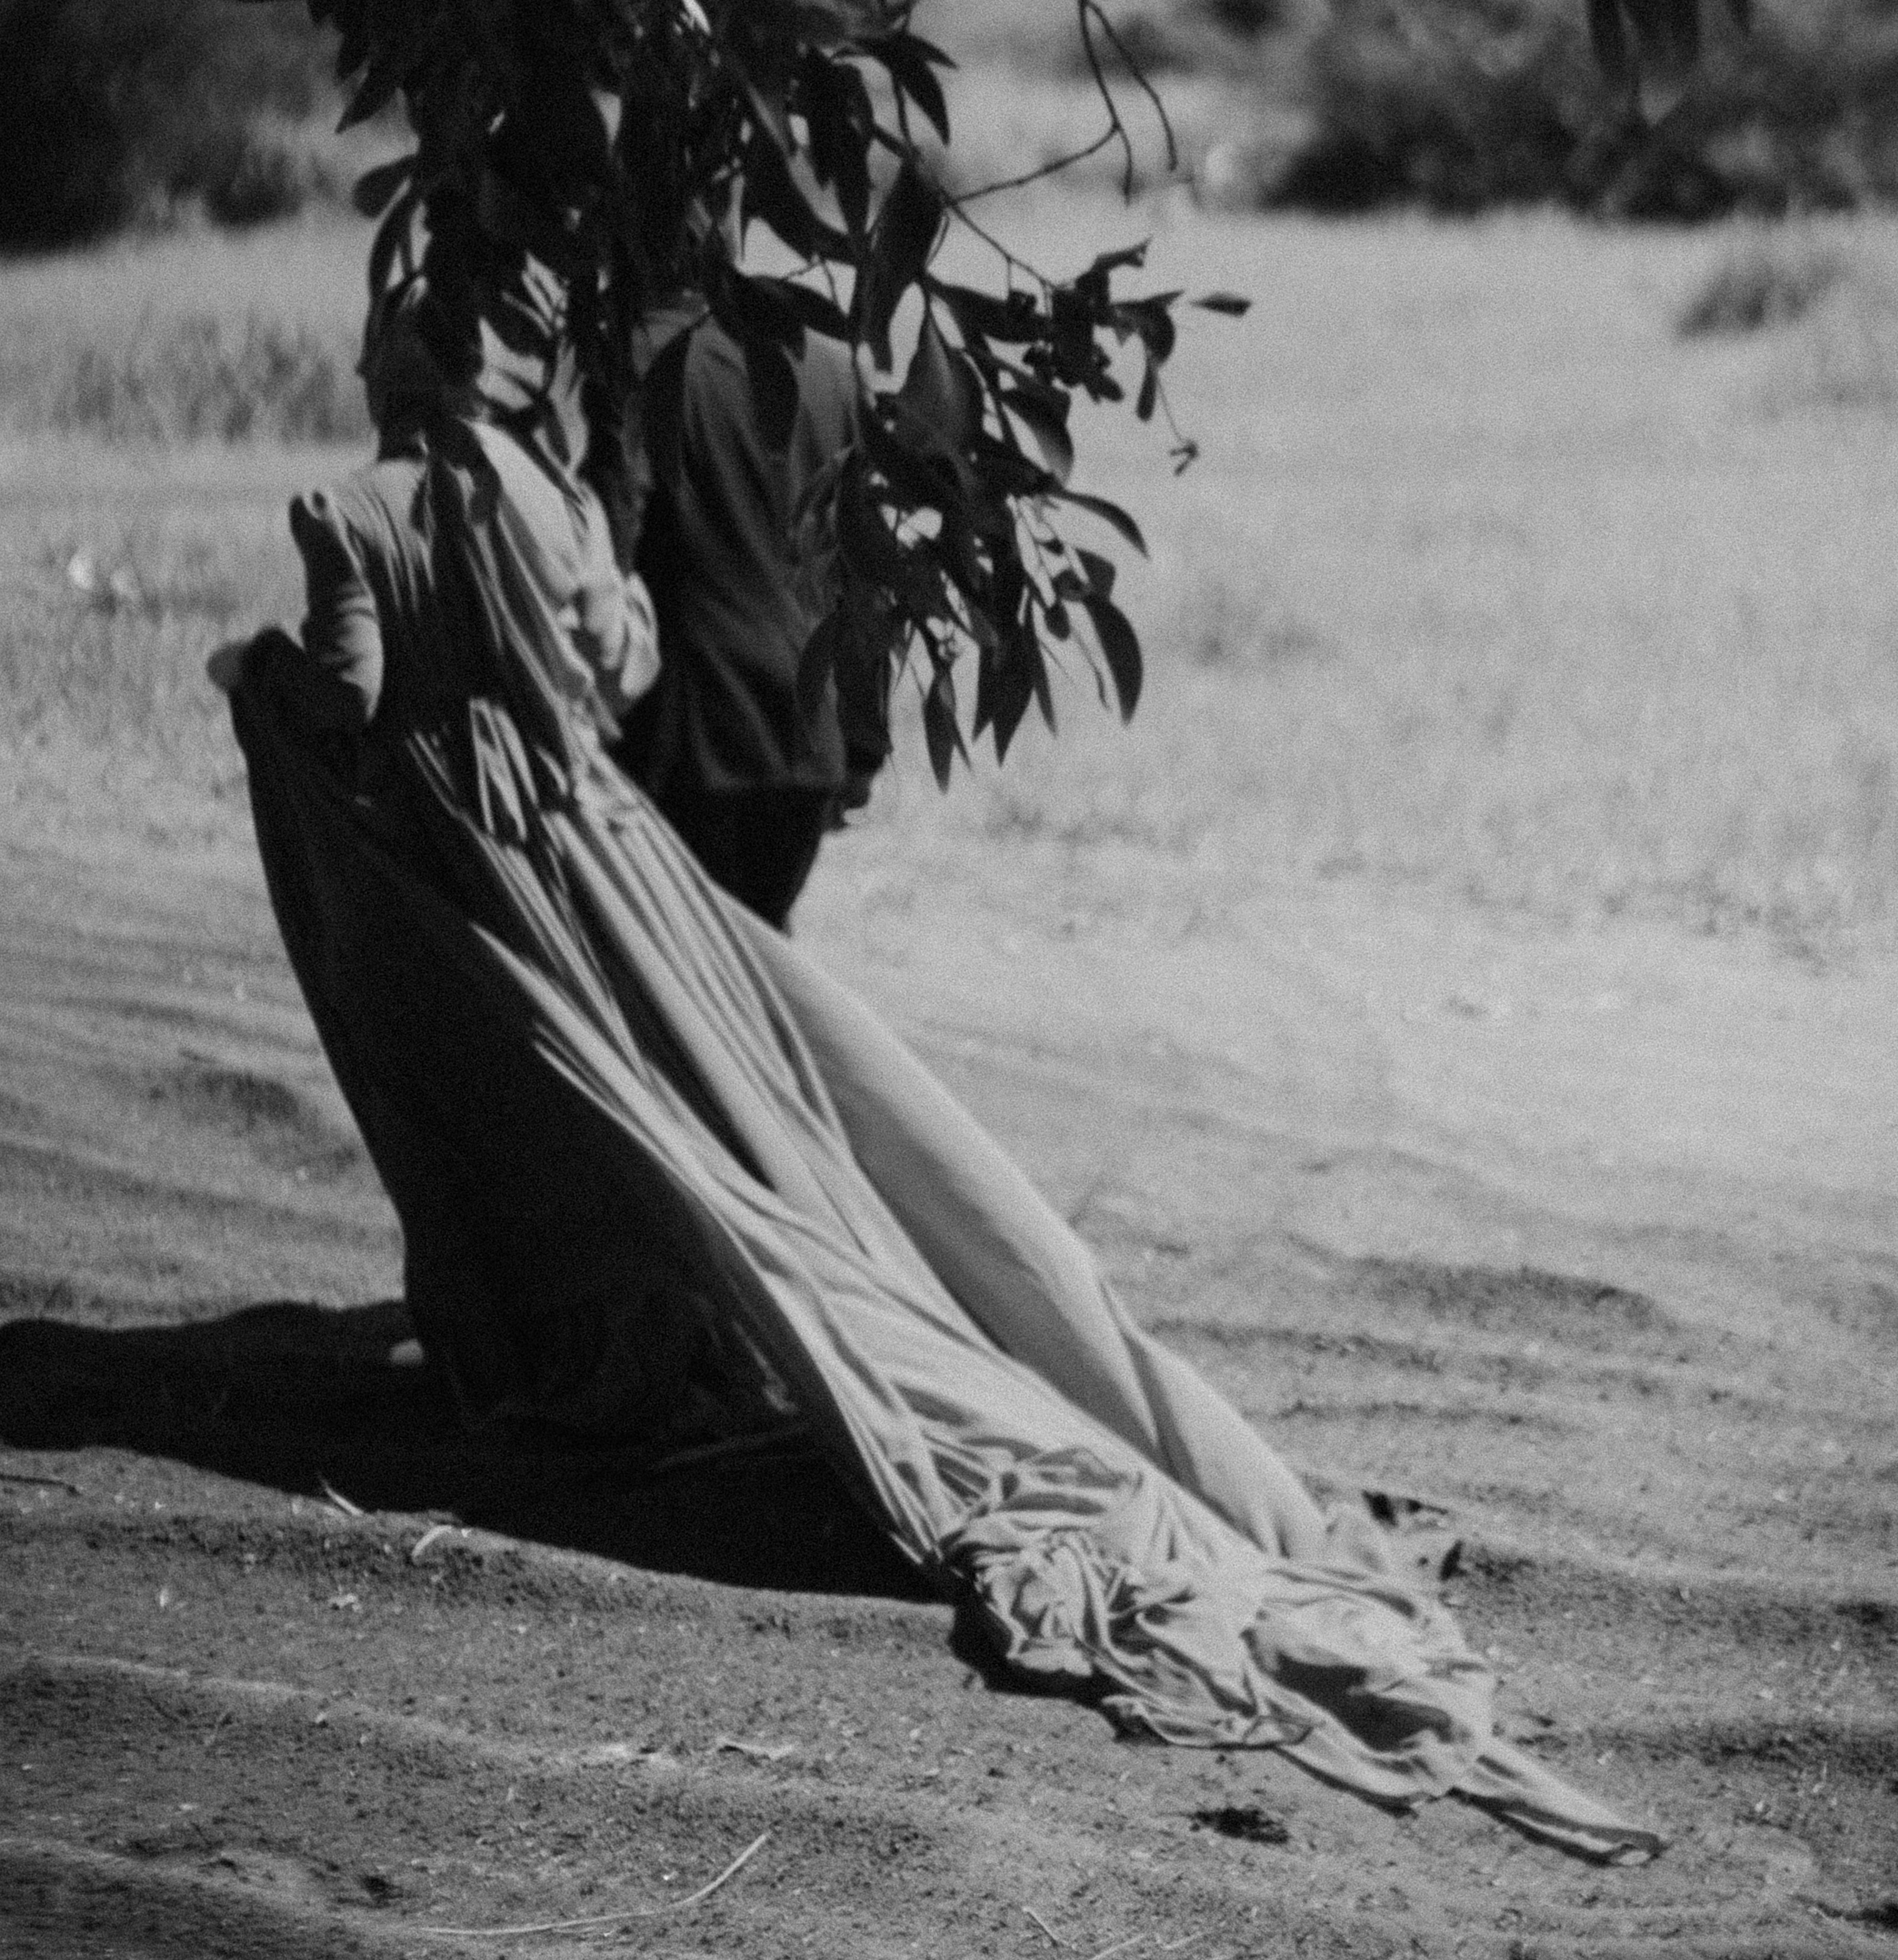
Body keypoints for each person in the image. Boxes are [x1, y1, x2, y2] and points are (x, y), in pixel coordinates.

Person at [209, 298, 1659, 1860]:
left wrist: (257, 677)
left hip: (489, 862)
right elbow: (627, 652)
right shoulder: (565, 481)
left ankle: (618, 1343)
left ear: (397, 372)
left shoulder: (355, 505)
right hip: (613, 838)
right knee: (739, 1107)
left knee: (587, 1120)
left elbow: (349, 694)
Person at [612, 317, 884, 929]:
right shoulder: (837, 368)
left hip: (692, 734)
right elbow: (864, 574)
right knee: (761, 953)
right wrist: (862, 748)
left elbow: (616, 548)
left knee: (694, 968)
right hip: (807, 732)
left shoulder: (648, 362)